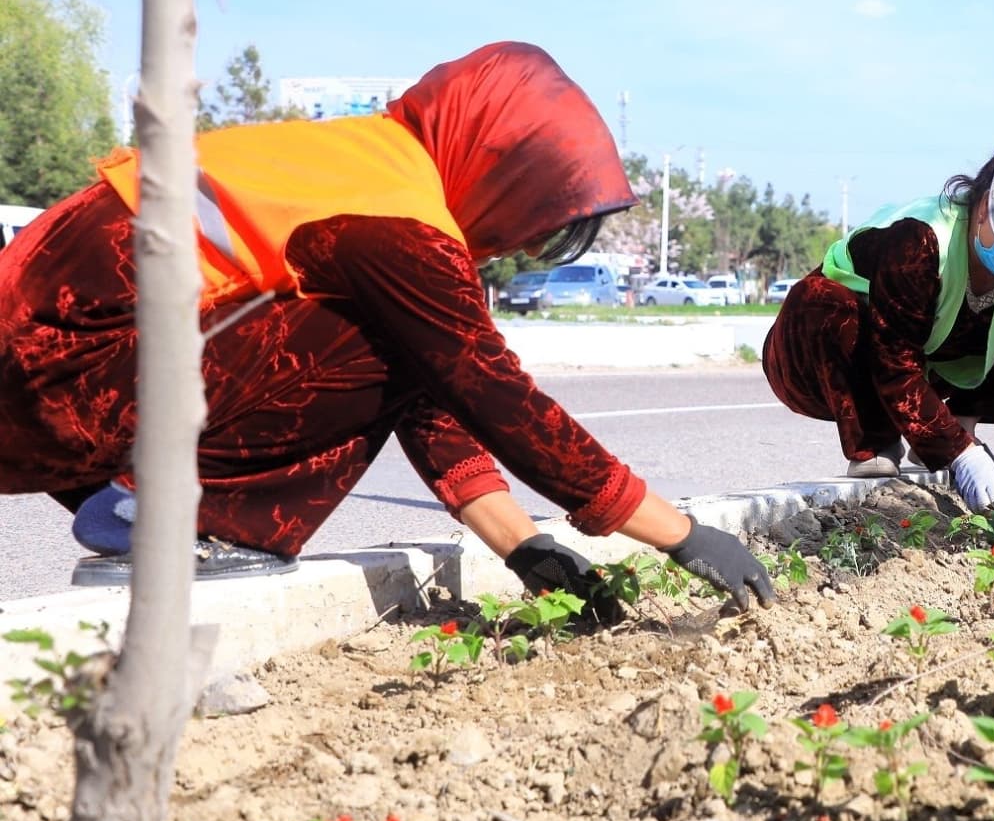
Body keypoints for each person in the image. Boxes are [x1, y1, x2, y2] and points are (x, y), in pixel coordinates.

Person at [0, 42, 775, 612]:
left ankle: (153, 509)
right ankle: (175, 518)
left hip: (59, 369)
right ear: (495, 162)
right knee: (426, 351)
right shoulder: (395, 222)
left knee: (414, 346)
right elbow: (492, 396)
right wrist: (681, 535)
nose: (520, 240)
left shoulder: (365, 163)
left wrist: (523, 545)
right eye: (532, 213)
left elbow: (434, 392)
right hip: (61, 375)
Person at [762, 117, 994, 537]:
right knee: (826, 305)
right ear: (985, 208)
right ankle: (877, 441)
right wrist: (961, 456)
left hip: (928, 361)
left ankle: (954, 428)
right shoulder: (918, 240)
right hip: (825, 354)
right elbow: (894, 361)